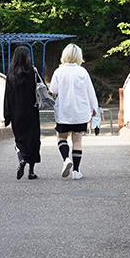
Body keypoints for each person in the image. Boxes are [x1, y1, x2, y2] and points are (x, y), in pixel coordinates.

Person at [49, 43, 99, 179]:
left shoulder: (58, 72)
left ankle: (66, 159)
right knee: (77, 140)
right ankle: (76, 171)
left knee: (61, 137)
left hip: (64, 111)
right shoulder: (82, 72)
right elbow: (90, 92)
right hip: (80, 112)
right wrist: (94, 108)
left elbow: (53, 90)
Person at [3, 43, 41, 180]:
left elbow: (7, 97)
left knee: (20, 141)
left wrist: (7, 116)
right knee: (33, 141)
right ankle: (31, 171)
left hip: (16, 114)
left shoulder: (11, 75)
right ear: (26, 57)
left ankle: (21, 158)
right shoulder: (32, 72)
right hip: (31, 112)